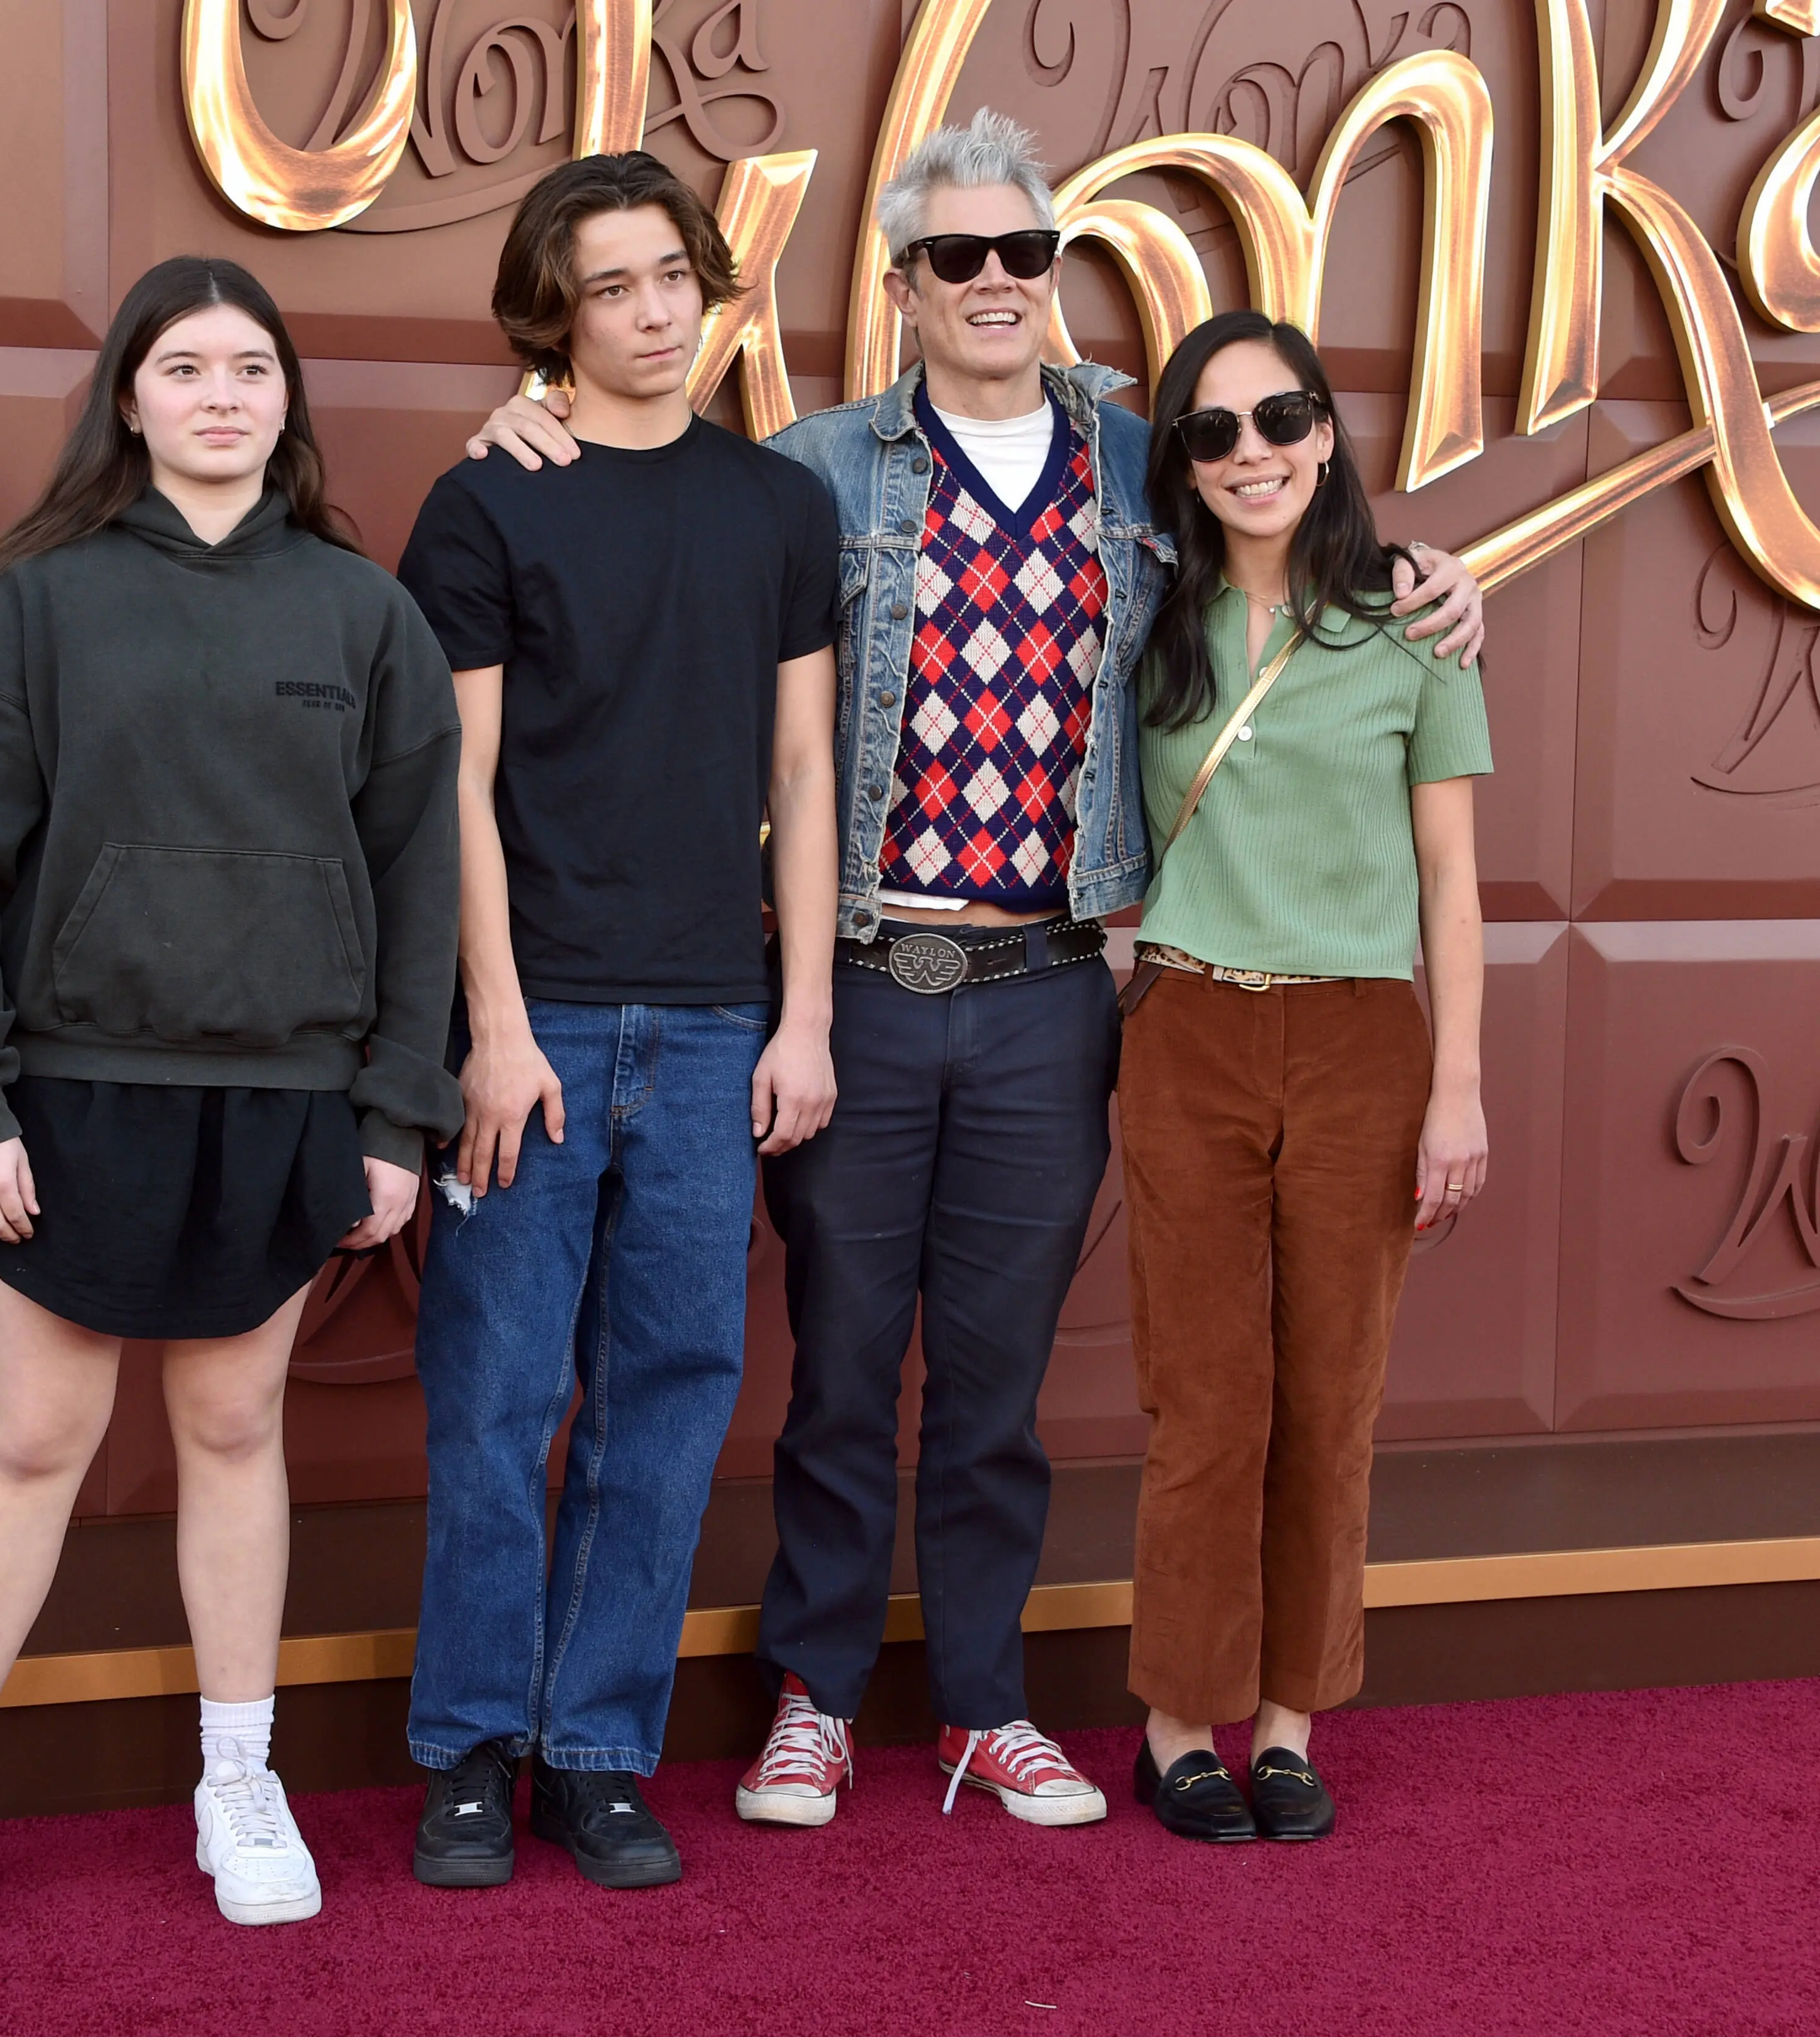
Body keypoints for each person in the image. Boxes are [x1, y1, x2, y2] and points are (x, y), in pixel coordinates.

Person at [467, 111, 1486, 1832]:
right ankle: (817, 1694)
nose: (1000, 280)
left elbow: (1280, 524)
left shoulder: (1137, 460)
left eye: (1029, 252)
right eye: (962, 256)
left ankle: (987, 1704)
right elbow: (655, 506)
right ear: (906, 285)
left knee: (1000, 1379)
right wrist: (531, 413)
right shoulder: (813, 466)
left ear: (1058, 275)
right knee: (845, 1365)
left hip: (1047, 989)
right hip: (861, 973)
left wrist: (1419, 569)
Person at [0, 256, 463, 1945]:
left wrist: (399, 1117)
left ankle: (239, 1775)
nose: (218, 394)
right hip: (64, 1097)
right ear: (128, 394)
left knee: (232, 1427)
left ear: (286, 398)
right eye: (182, 366)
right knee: (37, 1437)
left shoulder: (362, 612)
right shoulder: (34, 603)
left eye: (248, 366)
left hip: (284, 1099)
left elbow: (419, 885)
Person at [395, 151, 841, 1890]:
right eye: (615, 286)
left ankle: (597, 1752)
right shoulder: (488, 504)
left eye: (677, 276)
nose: (658, 311)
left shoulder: (778, 506)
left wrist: (803, 1015)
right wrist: (491, 1028)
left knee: (671, 1399)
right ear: (551, 311)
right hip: (545, 1025)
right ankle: (471, 1751)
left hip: (723, 1022)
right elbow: (458, 784)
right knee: (500, 1400)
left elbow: (803, 772)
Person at [1121, 309, 1492, 1842]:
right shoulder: (1142, 620)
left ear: (1328, 434)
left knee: (1333, 1400)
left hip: (1361, 1040)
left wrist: (1459, 1087)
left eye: (1278, 420)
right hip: (1191, 1028)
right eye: (1211, 433)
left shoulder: (1415, 627)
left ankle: (1289, 1718)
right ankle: (1172, 1722)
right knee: (1204, 1401)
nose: (1250, 453)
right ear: (1183, 466)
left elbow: (1455, 884)